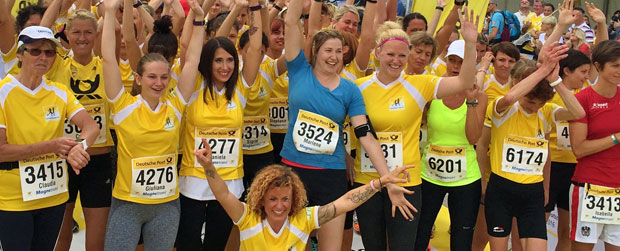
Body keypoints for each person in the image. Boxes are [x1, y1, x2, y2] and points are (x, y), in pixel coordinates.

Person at [353, 7, 478, 250]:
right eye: (390, 54)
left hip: (406, 183)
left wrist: (470, 45)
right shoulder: (358, 87)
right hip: (368, 181)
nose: (395, 61)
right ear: (378, 52)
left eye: (402, 55)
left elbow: (464, 82)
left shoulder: (420, 85)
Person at [282, 0, 398, 248]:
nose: (334, 57)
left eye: (339, 51)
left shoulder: (350, 90)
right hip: (293, 170)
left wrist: (386, 176)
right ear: (315, 50)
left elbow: (365, 135)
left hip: (331, 175)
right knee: (292, 245)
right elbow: (291, 22)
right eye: (328, 50)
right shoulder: (299, 69)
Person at [99, 0, 201, 249]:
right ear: (138, 78)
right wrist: (111, 11)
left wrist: (199, 20)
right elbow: (109, 60)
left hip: (165, 206)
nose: (159, 83)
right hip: (128, 205)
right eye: (152, 77)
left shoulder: (175, 106)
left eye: (164, 77)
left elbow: (193, 61)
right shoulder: (123, 107)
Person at [194, 140, 412, 250]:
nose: (279, 206)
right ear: (261, 199)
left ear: (294, 198)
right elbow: (222, 193)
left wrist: (379, 182)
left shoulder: (304, 218)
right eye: (272, 199)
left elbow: (345, 202)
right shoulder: (247, 217)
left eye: (285, 199)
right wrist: (208, 166)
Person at [0, 26, 99, 251]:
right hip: (13, 199)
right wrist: (50, 146)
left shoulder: (59, 91)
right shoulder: (3, 92)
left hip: (52, 195)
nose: (43, 57)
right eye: (35, 51)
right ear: (20, 54)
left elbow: (91, 126)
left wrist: (79, 148)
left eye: (49, 52)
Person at [479, 42, 585, 251]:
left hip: (532, 193)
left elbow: (578, 113)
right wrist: (543, 70)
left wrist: (555, 81)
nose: (535, 107)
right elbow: (510, 97)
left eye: (540, 104)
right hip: (501, 190)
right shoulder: (503, 108)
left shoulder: (545, 113)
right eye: (531, 102)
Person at [175, 0, 263, 249]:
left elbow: (255, 49)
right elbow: (190, 54)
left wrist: (255, 8)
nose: (225, 67)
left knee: (216, 245)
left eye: (230, 61)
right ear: (208, 63)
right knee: (188, 244)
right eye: (218, 61)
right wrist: (199, 19)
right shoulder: (193, 86)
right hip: (193, 182)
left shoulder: (240, 90)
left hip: (229, 184)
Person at [45, 9, 114, 251]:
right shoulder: (57, 65)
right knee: (61, 239)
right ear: (66, 34)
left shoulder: (107, 66)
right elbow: (42, 31)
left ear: (97, 34)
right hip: (63, 161)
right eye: (76, 32)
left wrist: (113, 10)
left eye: (88, 32)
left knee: (96, 242)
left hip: (99, 161)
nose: (82, 37)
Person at [414, 39, 488, 251]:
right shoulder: (432, 90)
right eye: (452, 61)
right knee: (420, 233)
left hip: (465, 179)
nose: (456, 67)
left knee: (461, 239)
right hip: (429, 176)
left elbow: (473, 138)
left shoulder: (480, 97)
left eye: (462, 62)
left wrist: (472, 102)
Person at [569, 40, 620, 251]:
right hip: (589, 187)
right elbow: (579, 149)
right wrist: (615, 138)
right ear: (598, 66)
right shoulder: (582, 99)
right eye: (615, 65)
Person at [545, 49, 591, 251]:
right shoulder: (548, 93)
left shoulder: (586, 93)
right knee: (538, 226)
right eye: (582, 72)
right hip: (550, 166)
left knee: (568, 231)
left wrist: (600, 25)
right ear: (567, 71)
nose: (586, 77)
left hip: (576, 168)